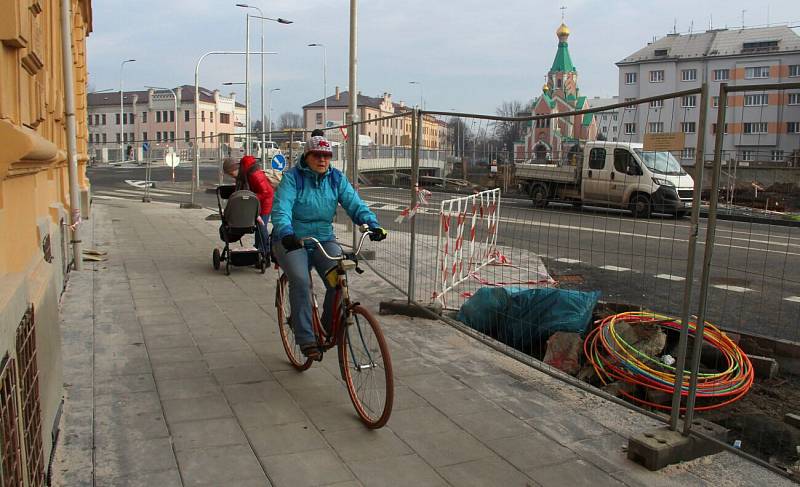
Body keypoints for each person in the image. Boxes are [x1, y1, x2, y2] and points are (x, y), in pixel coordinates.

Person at [271, 135, 387, 359]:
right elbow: (281, 208)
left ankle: (324, 327)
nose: (322, 160)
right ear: (307, 156)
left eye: (327, 156)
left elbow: (354, 204)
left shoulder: (336, 179)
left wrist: (372, 224)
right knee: (302, 281)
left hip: (324, 239)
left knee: (338, 277)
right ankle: (305, 338)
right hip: (293, 240)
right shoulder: (293, 179)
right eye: (317, 155)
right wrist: (286, 232)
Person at [222, 155, 274, 259]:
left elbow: (266, 192)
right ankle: (258, 249)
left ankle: (265, 252)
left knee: (261, 227)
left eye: (231, 173)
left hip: (265, 203)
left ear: (235, 168)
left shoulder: (254, 174)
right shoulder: (243, 175)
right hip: (255, 203)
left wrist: (250, 199)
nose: (232, 176)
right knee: (257, 227)